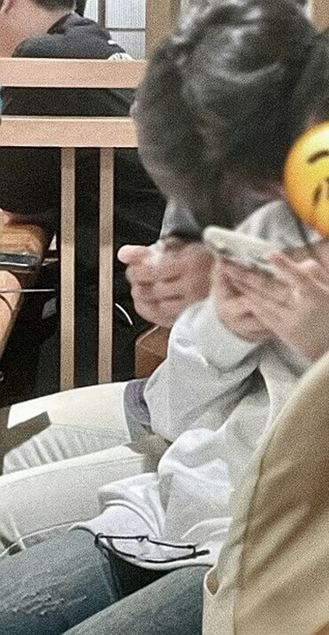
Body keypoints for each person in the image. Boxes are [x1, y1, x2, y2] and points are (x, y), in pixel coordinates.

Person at [0, 6, 329, 635]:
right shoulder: (273, 223)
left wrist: (326, 347)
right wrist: (223, 327)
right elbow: (175, 415)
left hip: (289, 555)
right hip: (173, 511)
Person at [0, 0, 166, 396]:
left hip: (117, 312)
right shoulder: (91, 41)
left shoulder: (43, 59)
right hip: (146, 293)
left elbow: (17, 198)